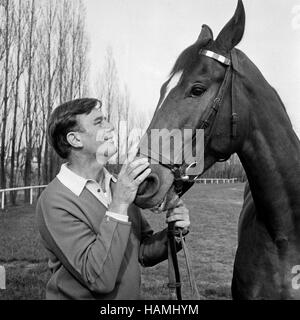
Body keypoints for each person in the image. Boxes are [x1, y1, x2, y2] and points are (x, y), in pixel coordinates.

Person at [36, 98, 190, 300]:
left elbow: (141, 251)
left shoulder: (118, 186)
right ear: (75, 140)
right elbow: (98, 278)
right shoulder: (54, 201)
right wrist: (119, 203)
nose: (110, 127)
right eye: (99, 122)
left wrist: (175, 232)